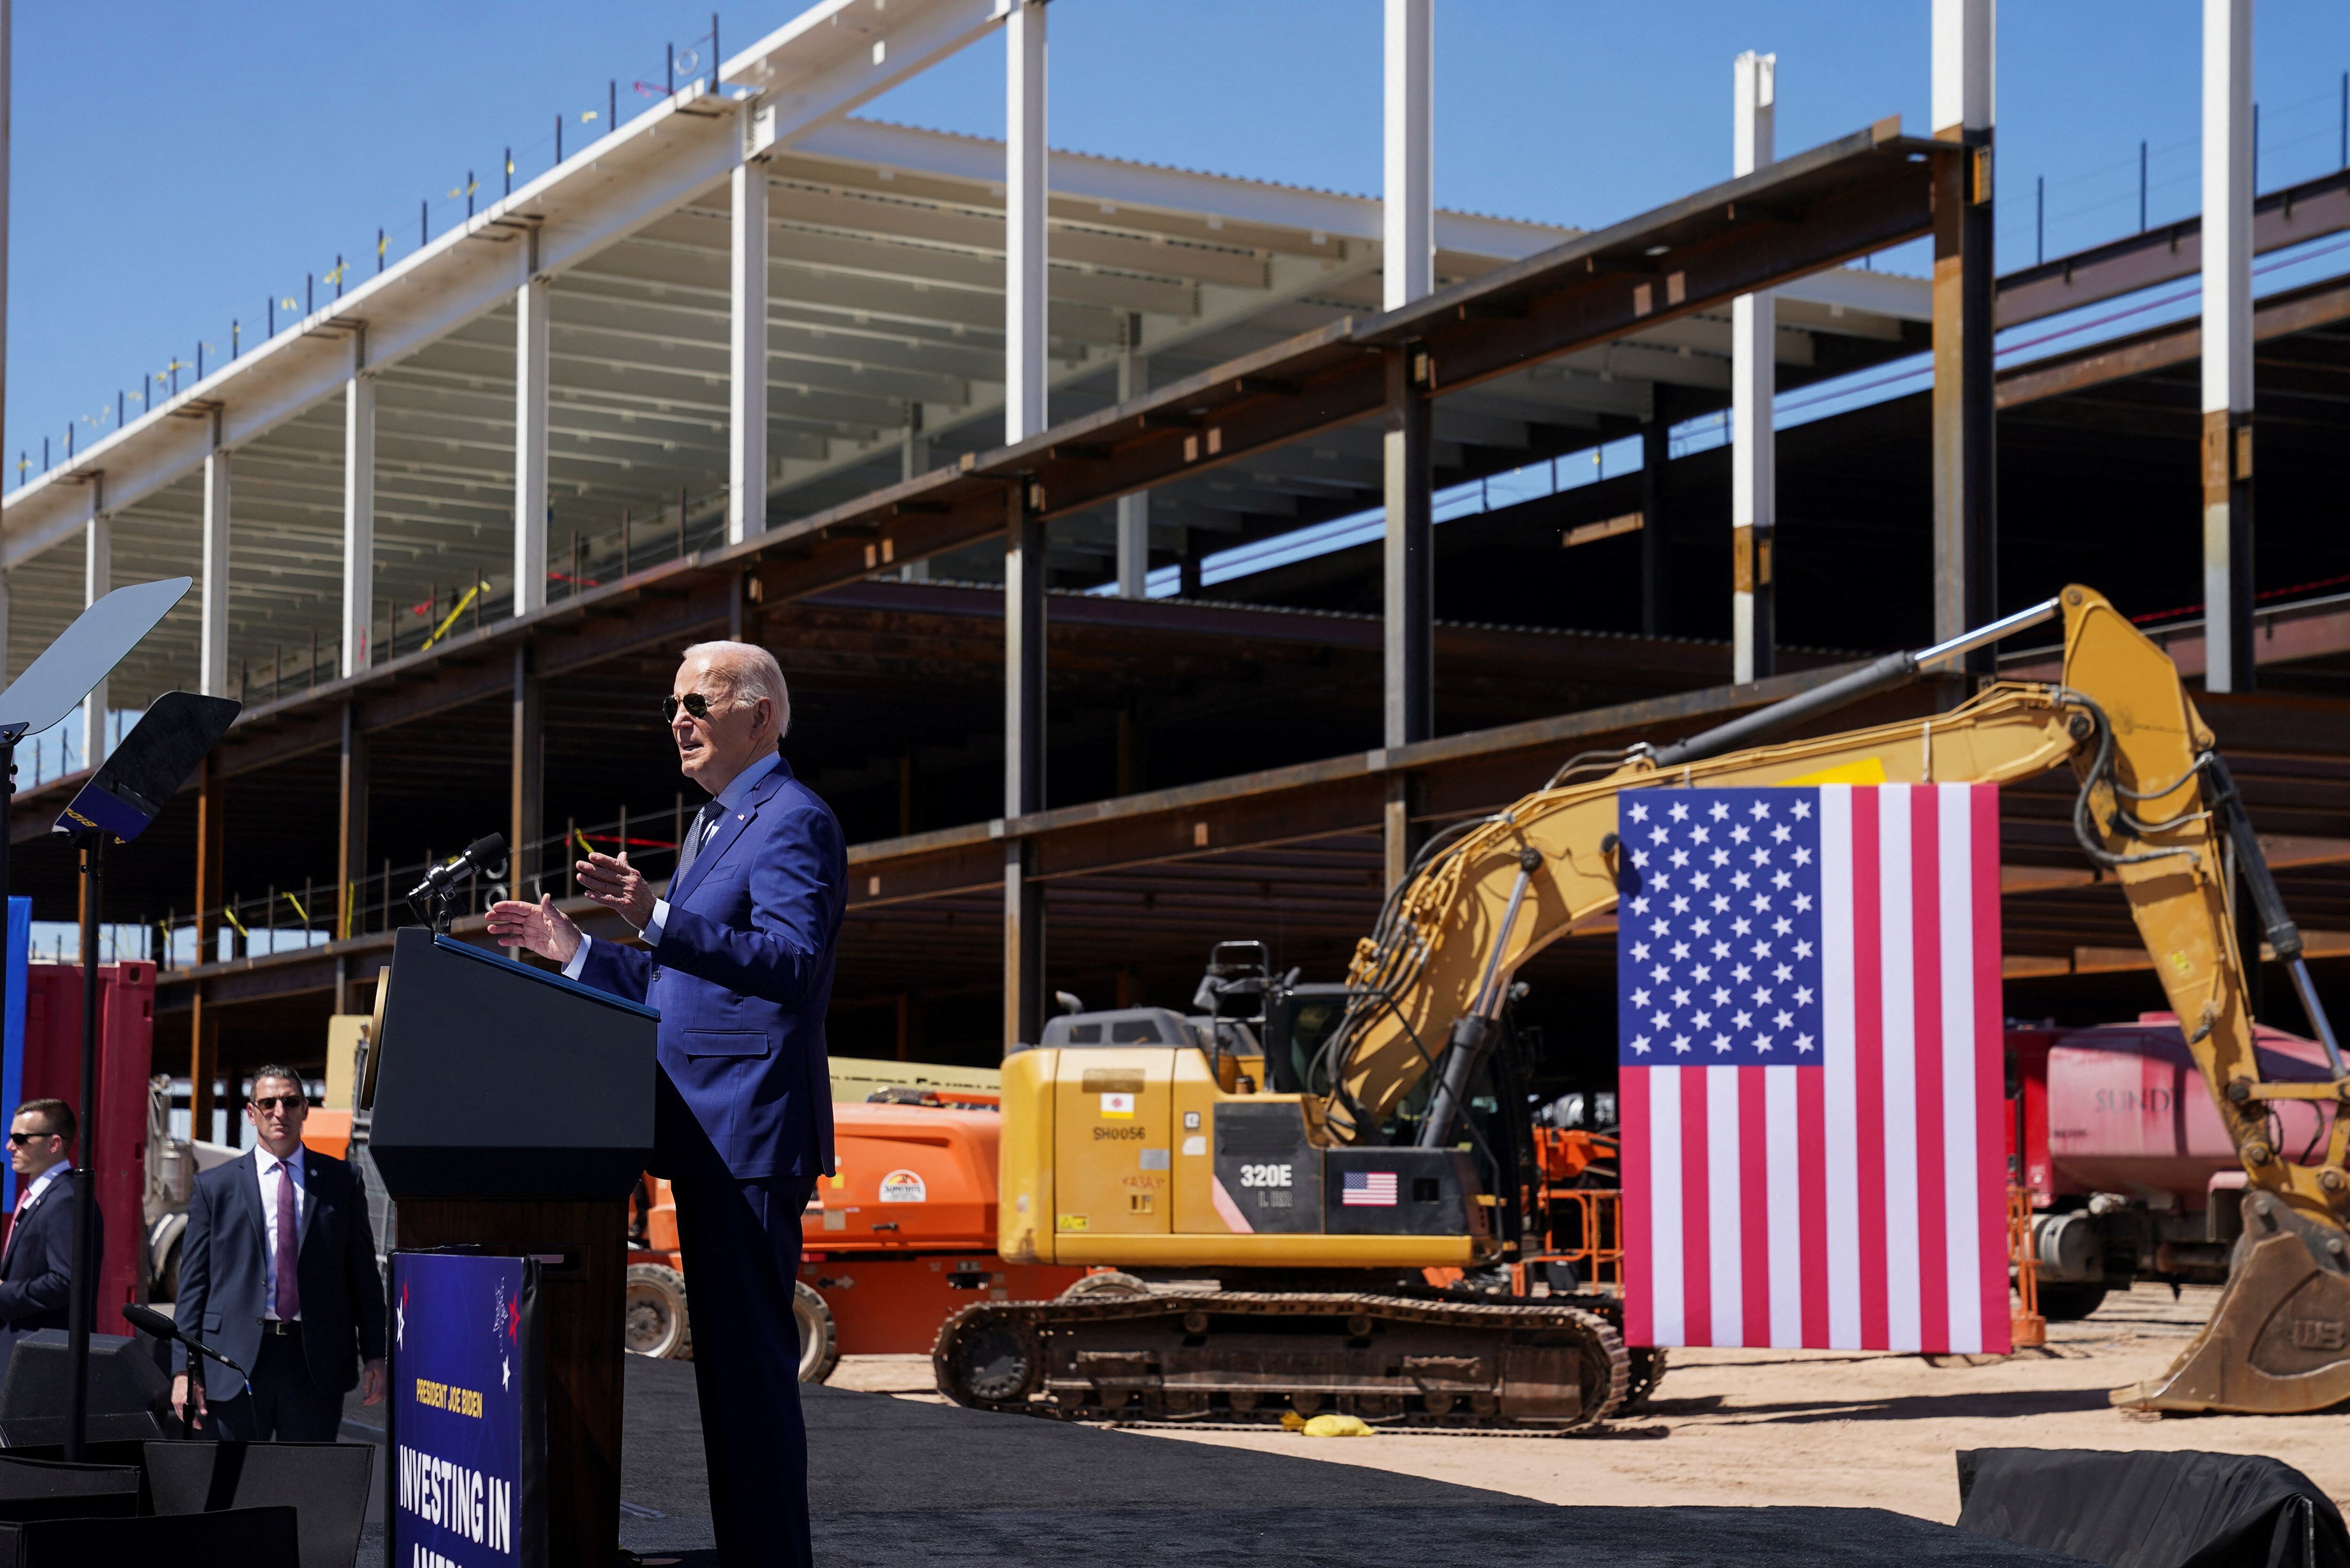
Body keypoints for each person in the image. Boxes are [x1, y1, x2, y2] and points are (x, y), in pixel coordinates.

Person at [489, 639, 843, 1568]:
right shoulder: (716, 827)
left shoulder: (790, 819)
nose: (679, 719)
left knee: (752, 1379)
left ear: (759, 715)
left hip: (749, 1135)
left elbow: (792, 970)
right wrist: (574, 951)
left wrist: (655, 918)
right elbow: (677, 991)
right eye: (672, 706)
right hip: (703, 1133)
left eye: (698, 701)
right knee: (726, 1379)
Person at [171, 1066, 386, 1440]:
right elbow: (193, 1286)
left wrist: (375, 1353)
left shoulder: (342, 1181)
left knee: (307, 1481)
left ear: (305, 1109)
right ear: (252, 1114)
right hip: (232, 1361)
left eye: (289, 1102)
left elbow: (363, 1275)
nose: (279, 1112)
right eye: (268, 1103)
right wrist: (184, 1370)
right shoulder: (215, 1187)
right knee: (231, 1488)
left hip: (313, 1360)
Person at [0, 1099, 95, 1372]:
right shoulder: (42, 1196)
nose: (10, 1147)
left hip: (42, 1360)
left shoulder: (67, 1199)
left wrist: (4, 1293)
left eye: (20, 1139)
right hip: (23, 1352)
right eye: (10, 1138)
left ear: (54, 1144)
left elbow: (66, 1282)